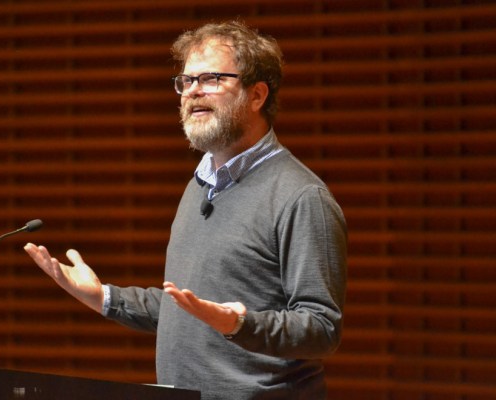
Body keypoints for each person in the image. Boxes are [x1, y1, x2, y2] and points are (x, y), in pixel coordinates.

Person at [24, 20, 347, 400]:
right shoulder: (200, 185)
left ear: (257, 94)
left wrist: (239, 324)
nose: (192, 92)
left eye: (210, 79)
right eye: (185, 81)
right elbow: (188, 306)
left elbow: (322, 329)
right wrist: (102, 297)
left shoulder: (301, 196)